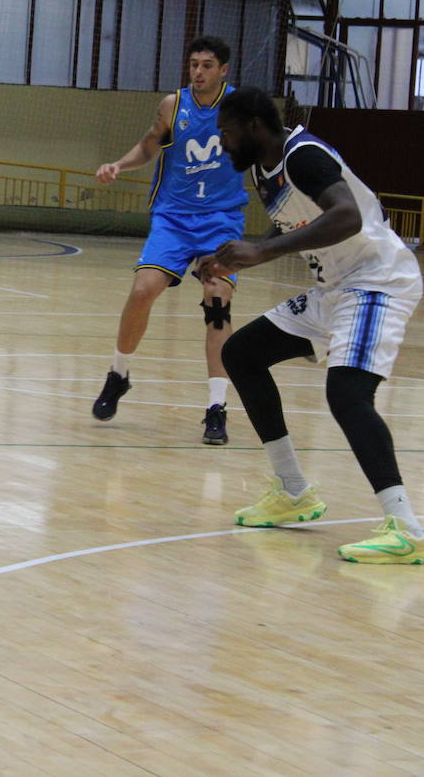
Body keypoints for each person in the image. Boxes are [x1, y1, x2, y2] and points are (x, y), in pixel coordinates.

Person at [196, 87, 424, 563]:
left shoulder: (304, 155)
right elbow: (291, 227)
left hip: (377, 280)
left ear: (254, 126)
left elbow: (347, 217)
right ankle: (293, 490)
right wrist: (239, 256)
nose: (222, 142)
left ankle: (405, 526)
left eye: (227, 132)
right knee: (241, 353)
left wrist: (262, 252)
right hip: (335, 289)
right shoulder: (265, 168)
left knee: (347, 393)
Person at [91, 35, 248, 445]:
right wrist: (119, 165)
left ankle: (216, 408)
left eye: (207, 65)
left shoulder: (240, 108)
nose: (198, 72)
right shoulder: (171, 105)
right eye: (194, 64)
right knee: (143, 289)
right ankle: (118, 374)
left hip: (221, 220)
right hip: (174, 217)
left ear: (223, 69)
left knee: (217, 302)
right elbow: (148, 146)